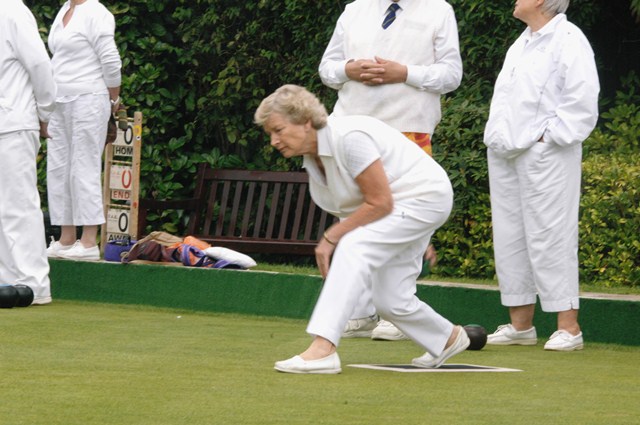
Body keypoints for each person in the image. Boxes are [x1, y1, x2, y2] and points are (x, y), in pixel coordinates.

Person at [254, 84, 469, 374]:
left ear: (305, 122)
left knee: (353, 246)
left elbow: (380, 202)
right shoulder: (313, 160)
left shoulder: (349, 138)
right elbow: (359, 205)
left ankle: (323, 349)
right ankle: (447, 338)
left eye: (278, 130)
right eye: (270, 133)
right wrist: (407, 233)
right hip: (402, 212)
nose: (274, 141)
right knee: (391, 300)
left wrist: (331, 238)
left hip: (423, 198)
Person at [319, 0, 463, 341]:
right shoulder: (354, 9)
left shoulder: (438, 10)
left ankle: (396, 309)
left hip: (408, 129)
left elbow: (451, 75)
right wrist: (349, 70)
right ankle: (360, 311)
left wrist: (405, 73)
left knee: (403, 215)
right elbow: (327, 68)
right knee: (353, 215)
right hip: (352, 128)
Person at [483, 0, 599, 351]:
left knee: (551, 234)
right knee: (510, 236)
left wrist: (548, 138)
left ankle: (569, 328)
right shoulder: (523, 41)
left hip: (545, 154)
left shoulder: (569, 39)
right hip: (505, 152)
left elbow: (582, 97)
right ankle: (521, 326)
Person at [45, 0, 122, 261]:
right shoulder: (65, 9)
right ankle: (66, 238)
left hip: (89, 98)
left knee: (83, 166)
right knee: (58, 168)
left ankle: (88, 241)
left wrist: (114, 99)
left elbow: (111, 60)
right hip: (59, 101)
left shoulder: (97, 12)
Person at [0, 0, 57, 305]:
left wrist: (45, 112)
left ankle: (35, 285)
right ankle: (8, 281)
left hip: (13, 123)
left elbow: (39, 65)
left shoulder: (12, 10)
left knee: (19, 204)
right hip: (9, 121)